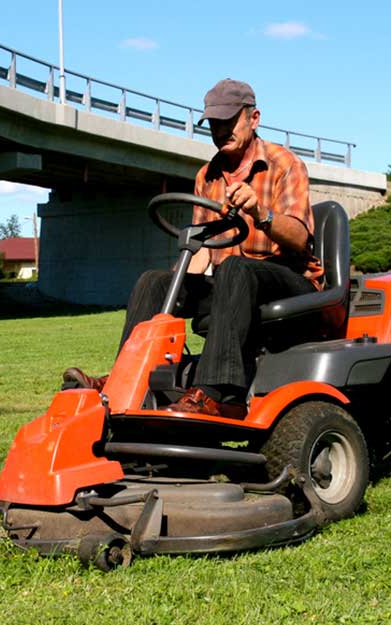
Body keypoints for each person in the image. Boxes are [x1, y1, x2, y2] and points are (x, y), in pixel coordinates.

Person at [64, 78, 323, 419]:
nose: (221, 131)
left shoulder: (284, 164)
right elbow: (203, 248)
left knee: (235, 268)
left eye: (229, 122)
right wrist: (177, 286)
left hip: (291, 284)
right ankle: (126, 378)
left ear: (254, 119)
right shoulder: (208, 175)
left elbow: (300, 238)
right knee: (154, 282)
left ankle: (218, 392)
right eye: (215, 124)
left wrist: (261, 214)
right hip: (234, 285)